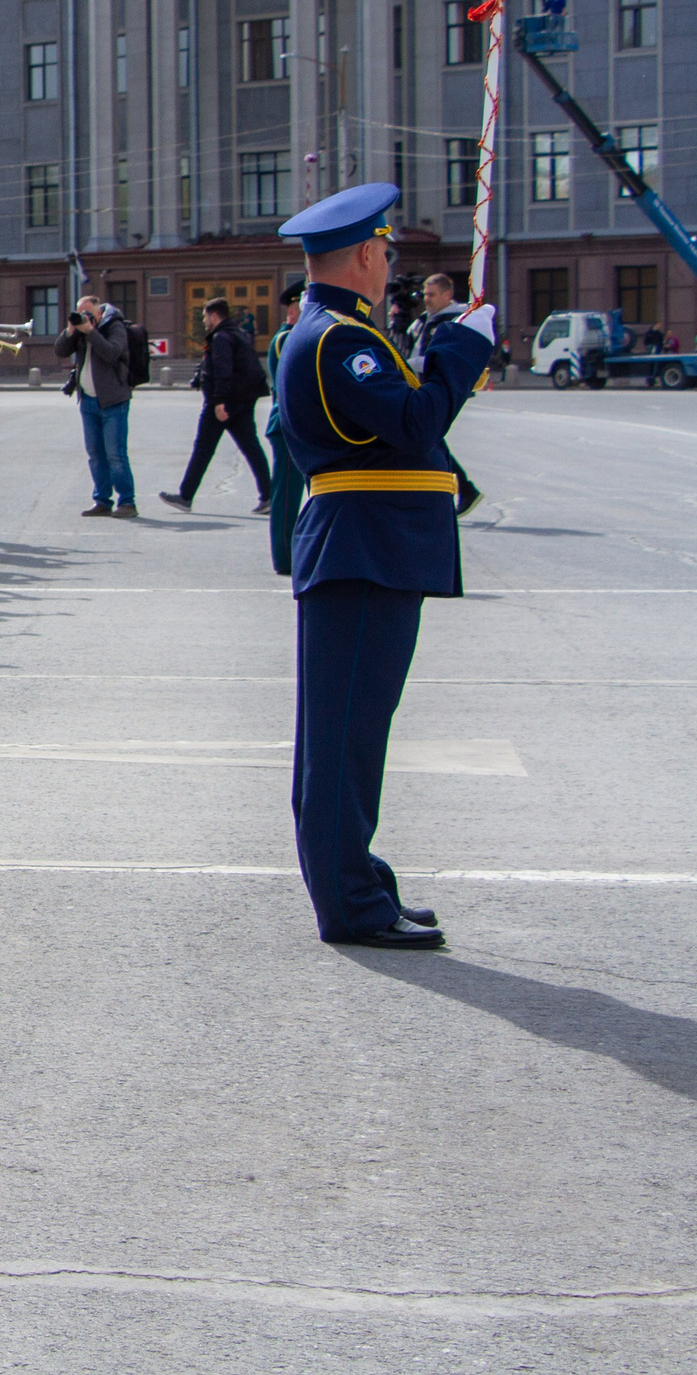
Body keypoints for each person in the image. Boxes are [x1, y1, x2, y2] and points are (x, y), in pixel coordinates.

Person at [275, 182, 495, 950]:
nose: (389, 264)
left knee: (351, 735)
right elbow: (414, 421)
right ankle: (352, 904)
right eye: (385, 252)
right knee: (346, 740)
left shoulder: (337, 332)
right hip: (363, 549)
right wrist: (463, 348)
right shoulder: (340, 339)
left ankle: (356, 882)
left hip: (368, 547)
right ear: (367, 254)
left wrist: (445, 348)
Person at [161, 296, 272, 515]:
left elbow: (223, 370)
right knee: (251, 447)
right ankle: (268, 496)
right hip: (241, 400)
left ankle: (185, 497)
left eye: (205, 317)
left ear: (214, 316)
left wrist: (219, 401)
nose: (204, 321)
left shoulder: (221, 337)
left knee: (203, 448)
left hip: (223, 403)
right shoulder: (237, 334)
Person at [406, 274, 484, 516]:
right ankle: (462, 490)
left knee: (428, 440)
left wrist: (408, 364)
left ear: (447, 295)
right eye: (425, 294)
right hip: (421, 387)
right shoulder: (425, 319)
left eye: (432, 295)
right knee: (429, 440)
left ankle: (461, 490)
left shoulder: (453, 322)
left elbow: (440, 359)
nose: (426, 299)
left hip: (437, 388)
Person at [56, 295, 136, 518]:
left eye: (88, 314)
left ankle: (127, 502)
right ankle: (102, 500)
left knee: (115, 454)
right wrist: (71, 330)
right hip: (88, 401)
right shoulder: (80, 330)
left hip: (113, 401)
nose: (84, 317)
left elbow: (112, 353)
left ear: (99, 313)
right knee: (95, 454)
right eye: (81, 313)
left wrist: (91, 331)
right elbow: (60, 351)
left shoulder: (114, 326)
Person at [266, 282, 307, 575]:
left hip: (301, 426)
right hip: (288, 426)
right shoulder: (286, 339)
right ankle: (285, 557)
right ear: (293, 312)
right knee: (287, 495)